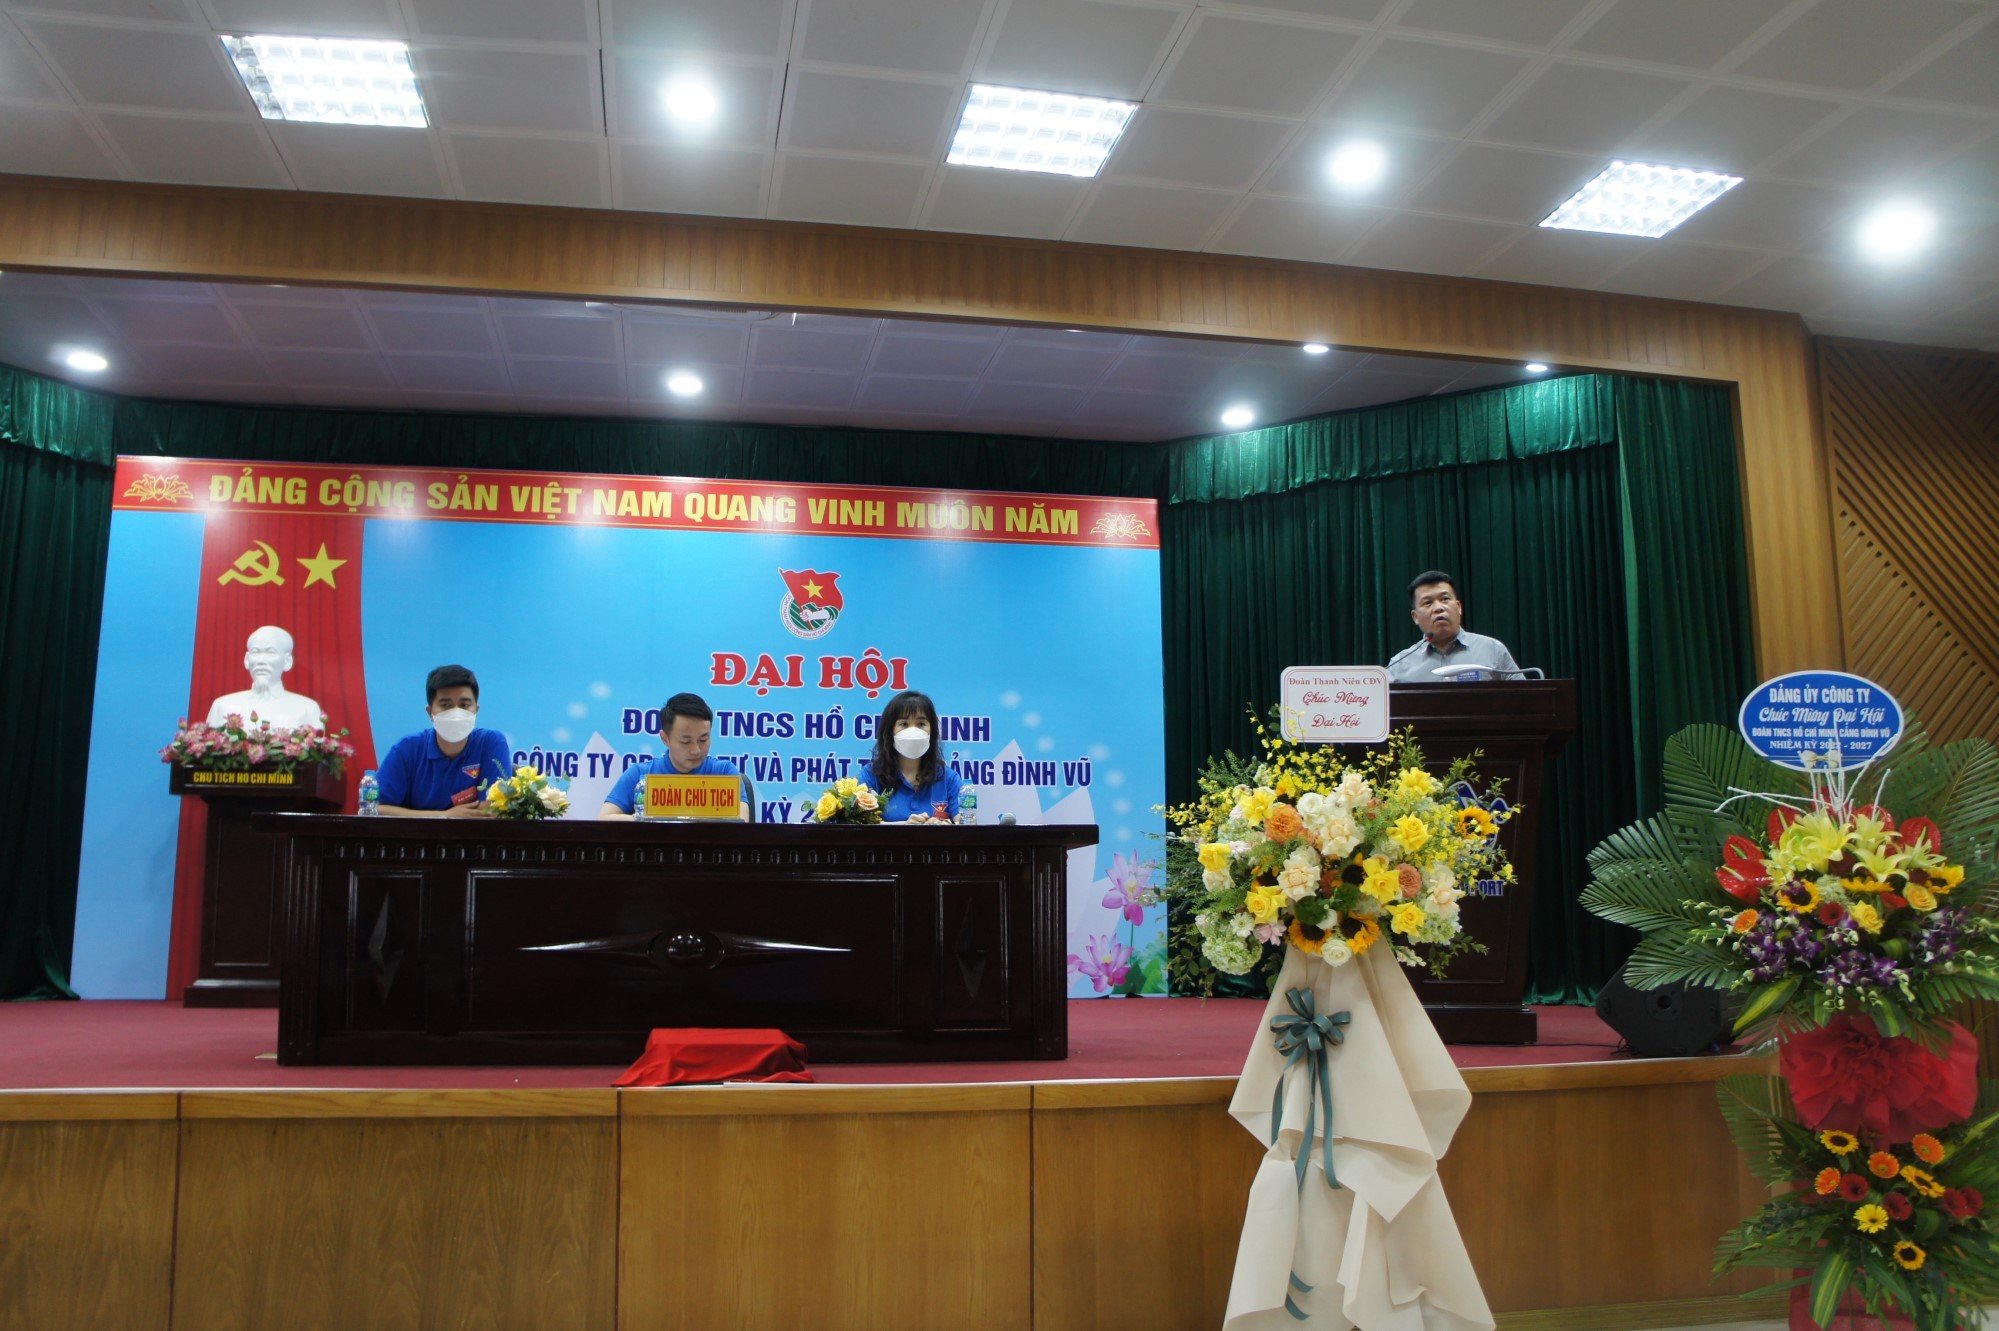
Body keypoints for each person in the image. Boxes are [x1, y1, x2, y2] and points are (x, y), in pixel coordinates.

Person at [376, 664, 513, 817]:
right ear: (430, 712)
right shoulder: (407, 749)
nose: (456, 713)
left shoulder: (491, 743)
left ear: (476, 710)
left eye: (464, 705)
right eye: (446, 705)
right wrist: (444, 816)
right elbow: (375, 808)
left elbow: (491, 813)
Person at [600, 692, 747, 819]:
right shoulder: (640, 774)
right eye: (686, 741)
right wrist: (647, 821)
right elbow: (604, 818)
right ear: (665, 739)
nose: (696, 750)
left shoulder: (724, 773)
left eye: (703, 739)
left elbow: (742, 822)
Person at [1386, 570, 1522, 683]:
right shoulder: (1399, 665)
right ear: (1415, 617)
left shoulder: (1492, 650)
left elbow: (1523, 698)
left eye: (1445, 599)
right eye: (1428, 603)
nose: (1438, 608)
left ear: (1459, 607)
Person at [864, 690, 963, 823]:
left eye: (921, 724)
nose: (913, 732)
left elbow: (966, 824)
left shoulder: (948, 778)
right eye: (904, 724)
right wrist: (904, 826)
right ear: (890, 731)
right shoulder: (871, 775)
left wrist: (946, 827)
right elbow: (861, 824)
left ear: (932, 731)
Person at [205, 624, 325, 732]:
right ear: (247, 660)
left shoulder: (307, 709)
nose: (261, 661)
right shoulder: (223, 706)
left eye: (270, 652)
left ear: (287, 661)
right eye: (255, 652)